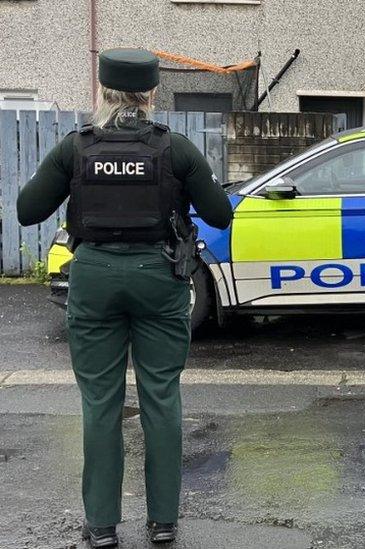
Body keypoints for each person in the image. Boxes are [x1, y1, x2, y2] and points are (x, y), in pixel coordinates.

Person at [16, 48, 232, 547]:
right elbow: (220, 214)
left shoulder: (76, 147)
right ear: (152, 94)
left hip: (93, 279)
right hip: (160, 278)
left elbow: (28, 209)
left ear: (103, 93)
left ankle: (101, 526)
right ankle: (162, 523)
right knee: (161, 396)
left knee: (100, 402)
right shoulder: (174, 148)